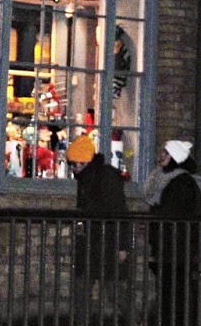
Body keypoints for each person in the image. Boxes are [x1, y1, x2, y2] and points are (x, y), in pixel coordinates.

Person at [145, 139, 201, 326]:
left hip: (176, 248)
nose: (162, 157)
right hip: (172, 248)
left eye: (166, 154)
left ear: (175, 157)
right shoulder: (171, 180)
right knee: (171, 293)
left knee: (174, 295)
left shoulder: (180, 182)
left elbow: (172, 214)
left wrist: (156, 214)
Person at [68, 133, 131, 325]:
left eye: (73, 164)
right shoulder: (88, 177)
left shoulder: (104, 178)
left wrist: (122, 246)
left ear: (83, 162)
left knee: (114, 289)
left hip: (106, 241)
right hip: (92, 240)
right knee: (83, 287)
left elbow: (119, 211)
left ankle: (135, 320)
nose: (72, 168)